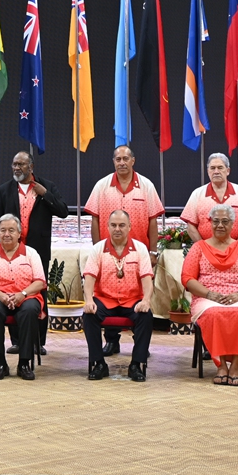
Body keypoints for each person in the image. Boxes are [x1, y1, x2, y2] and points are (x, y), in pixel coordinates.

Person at [84, 145, 164, 356]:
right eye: (118, 159)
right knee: (108, 294)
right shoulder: (102, 186)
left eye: (125, 158)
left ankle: (140, 343)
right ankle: (112, 341)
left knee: (139, 298)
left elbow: (153, 220)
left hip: (139, 256)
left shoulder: (146, 186)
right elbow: (95, 219)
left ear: (133, 161)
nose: (122, 162)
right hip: (108, 254)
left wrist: (153, 252)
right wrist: (96, 250)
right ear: (113, 162)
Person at [0, 151, 68, 355]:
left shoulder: (46, 187)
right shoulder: (4, 190)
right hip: (10, 251)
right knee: (11, 290)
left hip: (38, 251)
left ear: (31, 167)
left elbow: (63, 211)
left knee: (38, 293)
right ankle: (16, 340)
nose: (17, 168)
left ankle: (38, 341)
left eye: (21, 164)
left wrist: (45, 195)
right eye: (14, 164)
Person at [181, 204, 238, 386]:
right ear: (209, 223)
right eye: (216, 221)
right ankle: (221, 365)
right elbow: (187, 279)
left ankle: (235, 365)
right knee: (214, 313)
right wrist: (210, 294)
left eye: (225, 221)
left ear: (233, 224)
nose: (220, 225)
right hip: (207, 297)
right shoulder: (198, 248)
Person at [81, 211, 154, 382]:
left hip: (131, 301)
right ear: (107, 227)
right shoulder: (98, 248)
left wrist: (146, 300)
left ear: (129, 227)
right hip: (105, 300)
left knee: (146, 316)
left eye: (122, 225)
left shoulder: (140, 248)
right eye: (113, 225)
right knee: (88, 315)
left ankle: (136, 364)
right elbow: (89, 277)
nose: (117, 229)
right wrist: (89, 300)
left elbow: (147, 278)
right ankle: (98, 363)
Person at [0, 214, 46, 381]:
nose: (6, 234)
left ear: (19, 233)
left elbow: (40, 282)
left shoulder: (30, 253)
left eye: (11, 230)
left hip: (26, 297)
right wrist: (0, 295)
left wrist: (22, 294)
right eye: (3, 230)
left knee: (29, 311)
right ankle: (0, 362)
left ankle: (24, 363)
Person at [182, 153, 238, 243]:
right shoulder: (197, 194)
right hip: (205, 252)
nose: (216, 171)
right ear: (208, 171)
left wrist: (236, 247)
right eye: (212, 168)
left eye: (220, 167)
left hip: (237, 251)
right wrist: (203, 248)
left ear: (228, 171)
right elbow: (190, 226)